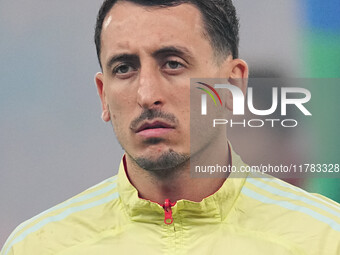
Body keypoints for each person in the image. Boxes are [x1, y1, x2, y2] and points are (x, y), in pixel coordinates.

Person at [1, 0, 339, 254]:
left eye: (173, 64)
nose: (147, 95)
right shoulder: (37, 247)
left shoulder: (325, 238)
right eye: (124, 68)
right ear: (103, 96)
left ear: (232, 87)